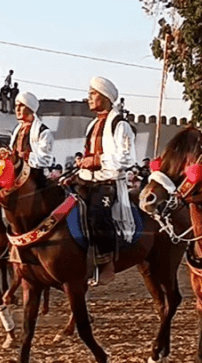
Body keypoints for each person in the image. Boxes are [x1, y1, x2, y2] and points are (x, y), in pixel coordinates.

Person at [76, 77, 136, 286]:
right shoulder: (92, 124)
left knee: (96, 214)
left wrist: (97, 160)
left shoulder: (120, 125)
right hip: (86, 180)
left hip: (108, 183)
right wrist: (82, 162)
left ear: (105, 97)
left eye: (93, 94)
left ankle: (106, 264)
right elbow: (88, 152)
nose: (89, 98)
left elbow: (127, 158)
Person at [9, 92, 54, 188]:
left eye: (21, 106)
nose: (17, 109)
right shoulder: (17, 129)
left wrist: (26, 156)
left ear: (30, 108)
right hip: (16, 175)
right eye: (16, 106)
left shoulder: (43, 131)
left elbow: (45, 160)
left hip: (34, 177)